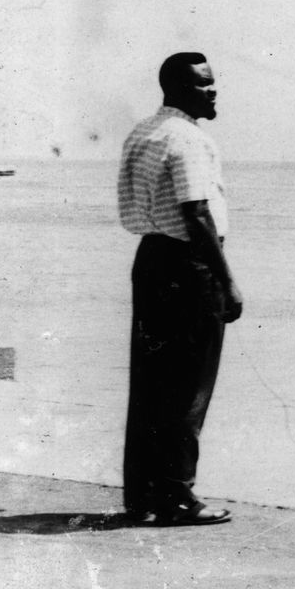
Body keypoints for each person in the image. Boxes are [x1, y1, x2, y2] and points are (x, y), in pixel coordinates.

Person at [117, 51, 243, 526]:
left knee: (151, 383)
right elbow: (197, 212)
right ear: (176, 89)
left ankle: (144, 498)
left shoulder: (144, 132)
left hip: (151, 260)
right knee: (189, 386)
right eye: (202, 85)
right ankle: (178, 495)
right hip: (189, 266)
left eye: (212, 82)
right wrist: (227, 281)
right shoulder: (188, 138)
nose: (213, 91)